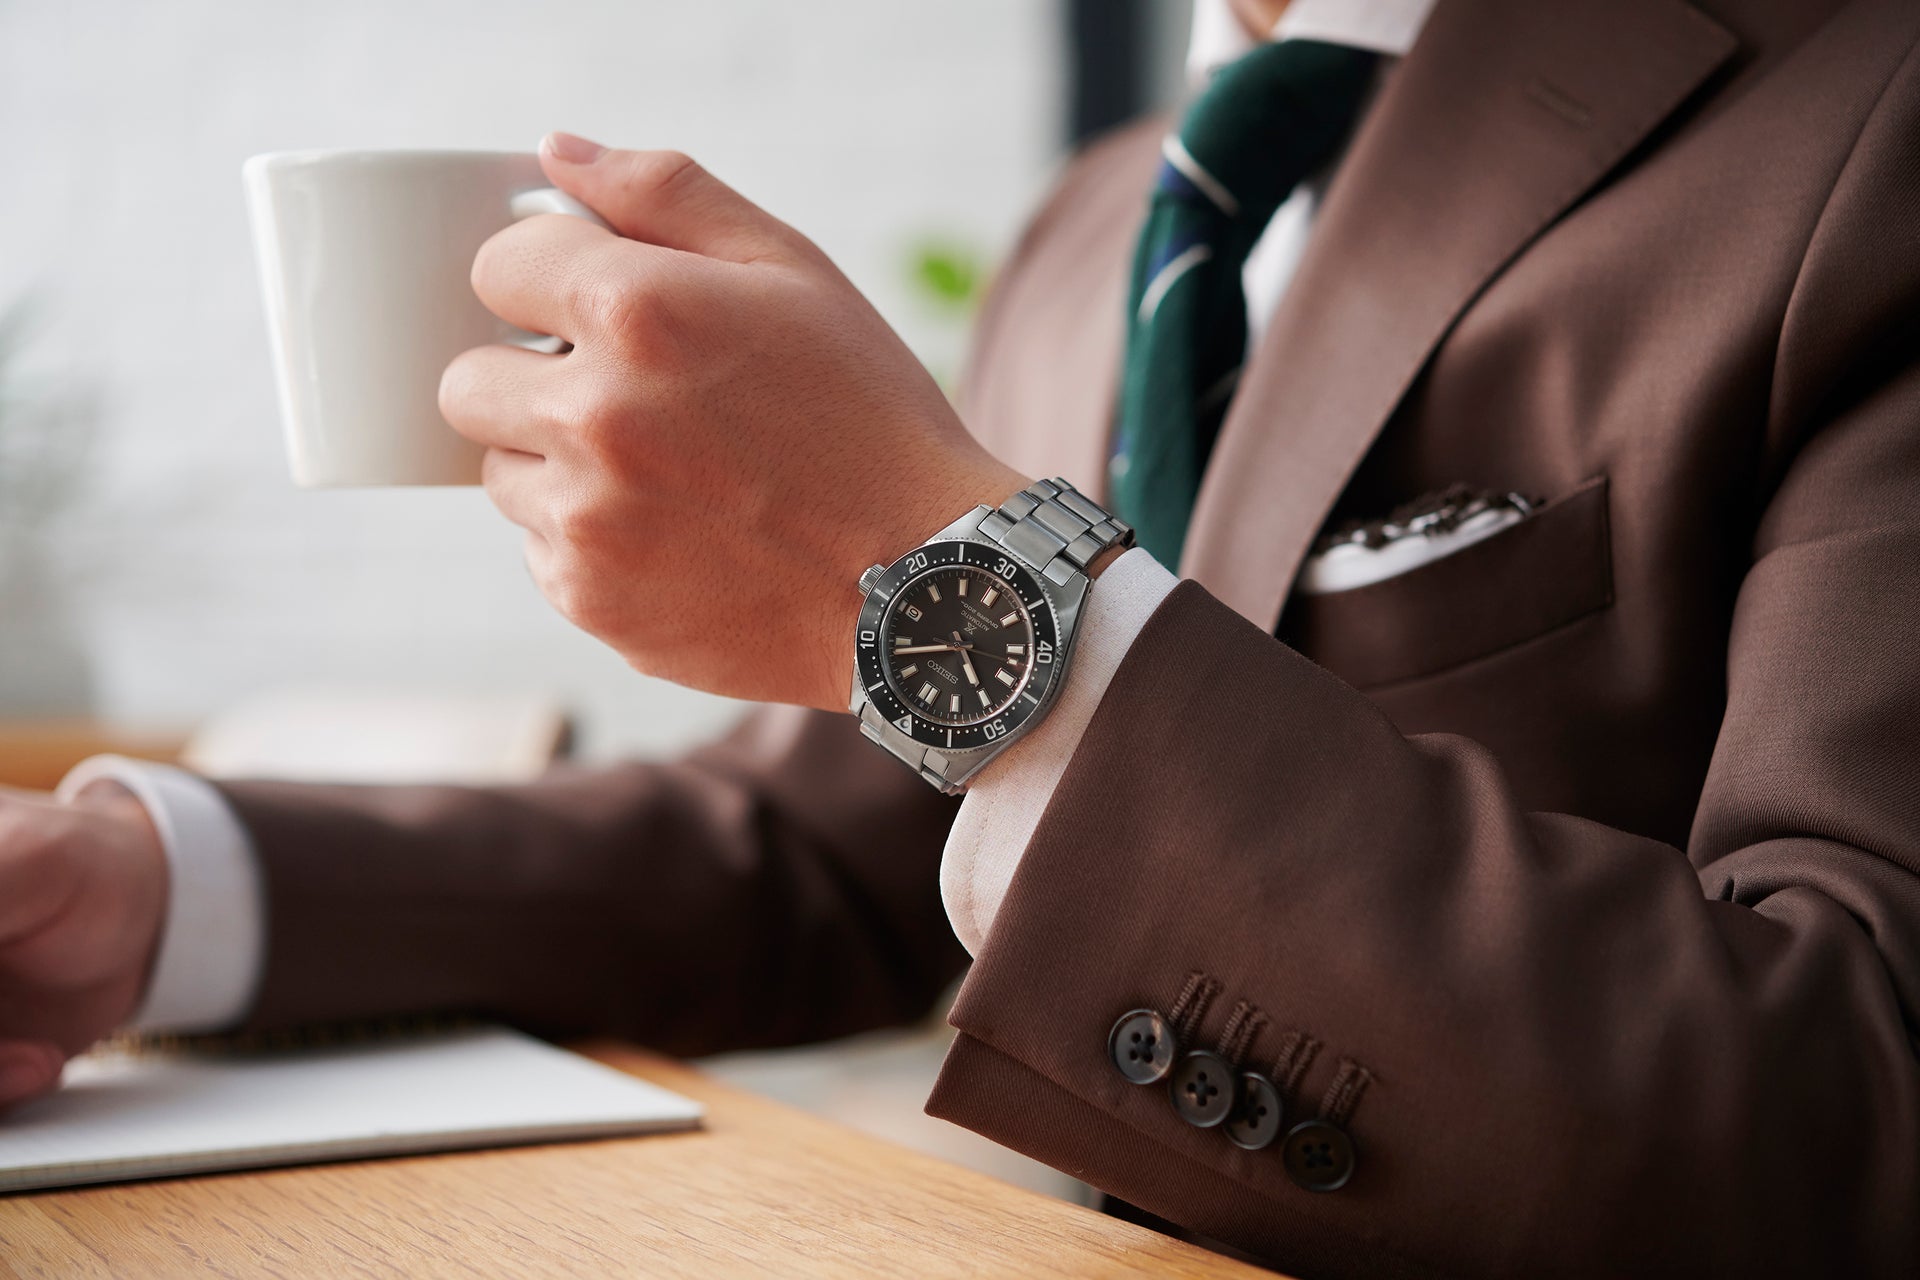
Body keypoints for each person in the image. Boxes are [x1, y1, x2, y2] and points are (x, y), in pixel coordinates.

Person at [4, 0, 1919, 1271]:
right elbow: (827, 843)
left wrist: (946, 564)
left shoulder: (1867, 111)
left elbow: (1859, 1096)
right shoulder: (1101, 226)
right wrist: (154, 890)